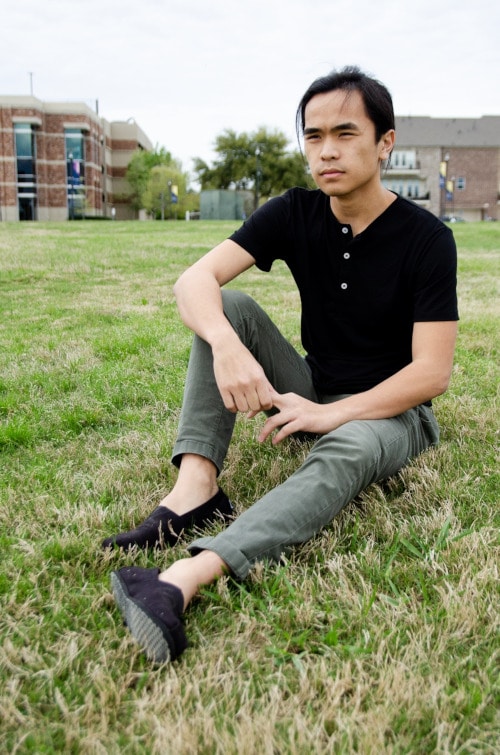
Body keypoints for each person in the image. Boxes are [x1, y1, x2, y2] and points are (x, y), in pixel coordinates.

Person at [104, 66, 458, 664]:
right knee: (230, 307)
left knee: (349, 447)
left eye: (345, 134)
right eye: (313, 136)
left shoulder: (427, 238)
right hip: (310, 387)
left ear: (385, 143)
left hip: (395, 412)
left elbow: (432, 373)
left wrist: (332, 415)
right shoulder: (295, 211)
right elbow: (195, 281)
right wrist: (227, 343)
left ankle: (181, 579)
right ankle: (196, 490)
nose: (326, 152)